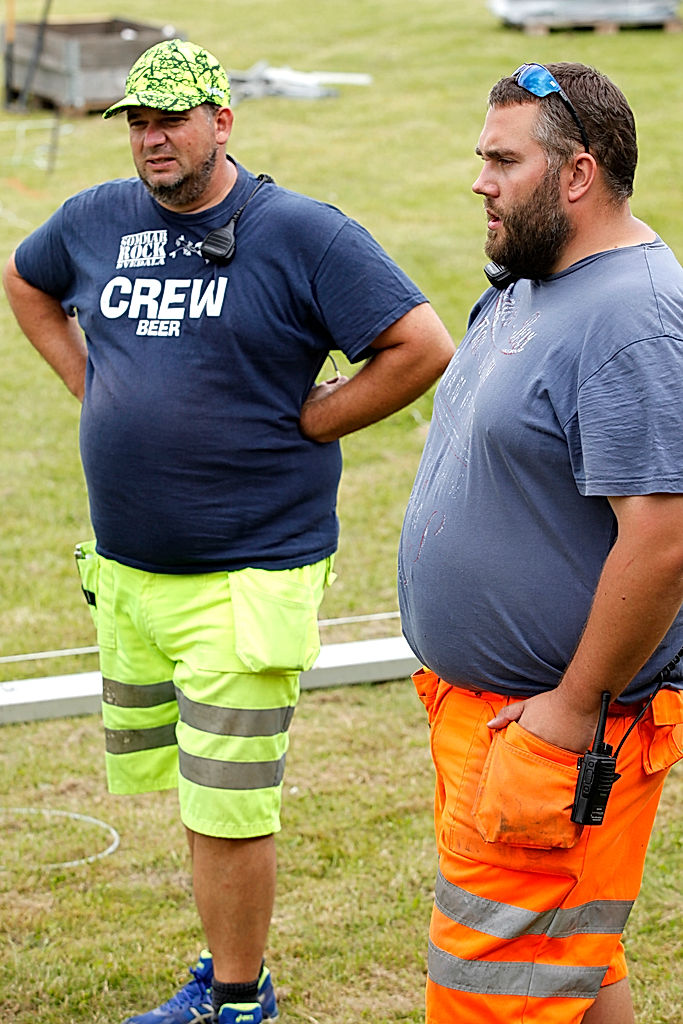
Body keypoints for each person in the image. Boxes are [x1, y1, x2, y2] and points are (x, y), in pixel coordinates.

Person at [3, 38, 454, 1024]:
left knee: (227, 803)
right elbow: (26, 278)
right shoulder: (94, 220)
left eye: (172, 117)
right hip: (131, 572)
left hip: (247, 575)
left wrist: (318, 415)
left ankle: (238, 999)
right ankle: (225, 964)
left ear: (223, 120)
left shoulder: (300, 234)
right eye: (138, 119)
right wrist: (90, 383)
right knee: (192, 793)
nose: (153, 138)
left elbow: (418, 344)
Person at [398, 61, 683, 1024]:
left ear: (576, 174)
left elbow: (663, 540)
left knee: (492, 994)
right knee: (565, 962)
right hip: (487, 722)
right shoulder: (531, 277)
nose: (479, 180)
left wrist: (571, 706)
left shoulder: (633, 318)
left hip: (555, 734)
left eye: (501, 160)